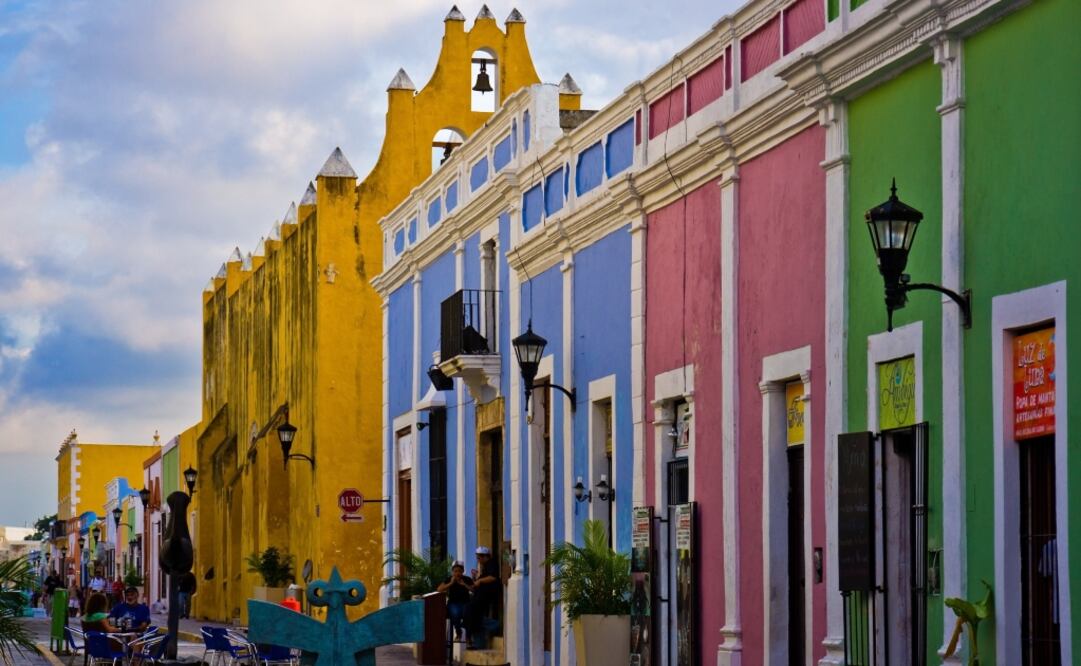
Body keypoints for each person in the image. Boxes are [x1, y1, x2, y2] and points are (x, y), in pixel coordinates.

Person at [464, 546, 501, 649]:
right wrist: (476, 578)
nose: (478, 560)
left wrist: (479, 581)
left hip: (485, 597)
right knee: (471, 615)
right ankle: (475, 642)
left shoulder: (491, 564)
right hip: (479, 596)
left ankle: (495, 625)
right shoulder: (485, 567)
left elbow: (493, 577)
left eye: (479, 558)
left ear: (485, 557)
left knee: (472, 614)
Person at [437, 560, 474, 640]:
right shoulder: (449, 579)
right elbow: (439, 589)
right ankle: (458, 632)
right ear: (452, 571)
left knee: (467, 614)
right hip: (453, 603)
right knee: (455, 613)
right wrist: (450, 583)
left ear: (463, 571)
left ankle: (468, 637)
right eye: (455, 571)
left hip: (465, 603)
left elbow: (474, 589)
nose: (457, 573)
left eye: (459, 571)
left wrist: (464, 584)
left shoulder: (467, 579)